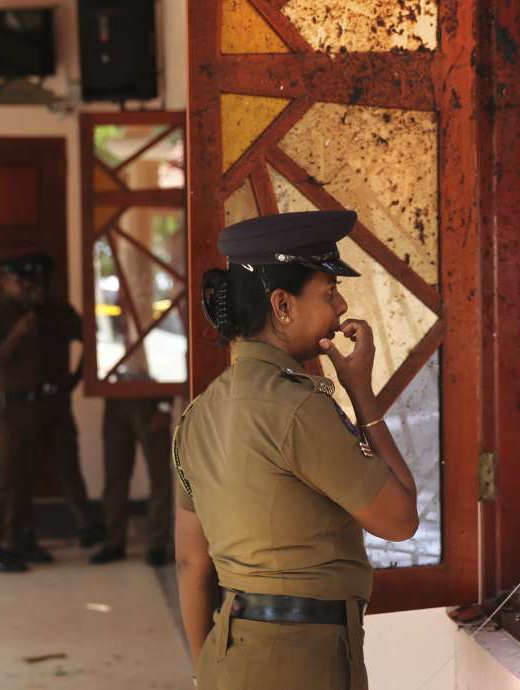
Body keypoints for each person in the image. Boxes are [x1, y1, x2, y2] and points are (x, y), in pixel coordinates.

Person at [173, 210, 420, 689]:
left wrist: (207, 670)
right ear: (282, 305)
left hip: (228, 656)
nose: (341, 306)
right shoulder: (298, 407)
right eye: (328, 293)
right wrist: (361, 393)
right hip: (301, 661)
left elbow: (190, 562)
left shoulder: (198, 414)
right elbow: (401, 518)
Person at [0, 255, 51, 573]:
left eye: (30, 281)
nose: (26, 286)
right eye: (20, 281)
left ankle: (18, 541)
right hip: (4, 409)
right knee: (1, 481)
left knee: (25, 480)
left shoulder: (31, 313)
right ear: (5, 282)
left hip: (28, 407)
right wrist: (17, 333)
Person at [25, 252, 106, 548]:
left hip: (57, 400)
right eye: (34, 280)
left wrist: (76, 377)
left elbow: (90, 339)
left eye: (44, 280)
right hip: (27, 403)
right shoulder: (20, 315)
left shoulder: (61, 312)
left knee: (68, 465)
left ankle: (85, 524)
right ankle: (25, 532)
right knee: (24, 472)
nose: (40, 286)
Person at [90, 397, 175, 566]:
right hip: (115, 399)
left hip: (151, 400)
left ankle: (158, 544)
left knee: (159, 476)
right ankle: (114, 541)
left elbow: (169, 371)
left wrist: (164, 407)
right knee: (115, 475)